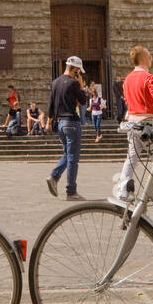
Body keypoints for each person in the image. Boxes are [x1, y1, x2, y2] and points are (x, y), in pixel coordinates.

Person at [117, 45, 153, 203]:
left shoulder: (127, 79)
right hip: (148, 124)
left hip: (132, 123)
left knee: (131, 158)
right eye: (149, 56)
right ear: (144, 58)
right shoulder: (149, 77)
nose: (151, 59)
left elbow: (127, 101)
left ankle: (122, 191)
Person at [47, 56, 90, 201]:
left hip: (60, 124)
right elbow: (83, 101)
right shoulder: (73, 83)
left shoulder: (55, 82)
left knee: (67, 154)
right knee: (73, 158)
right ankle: (71, 191)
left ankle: (54, 177)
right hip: (71, 122)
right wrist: (81, 85)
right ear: (77, 70)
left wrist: (48, 122)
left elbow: (51, 105)